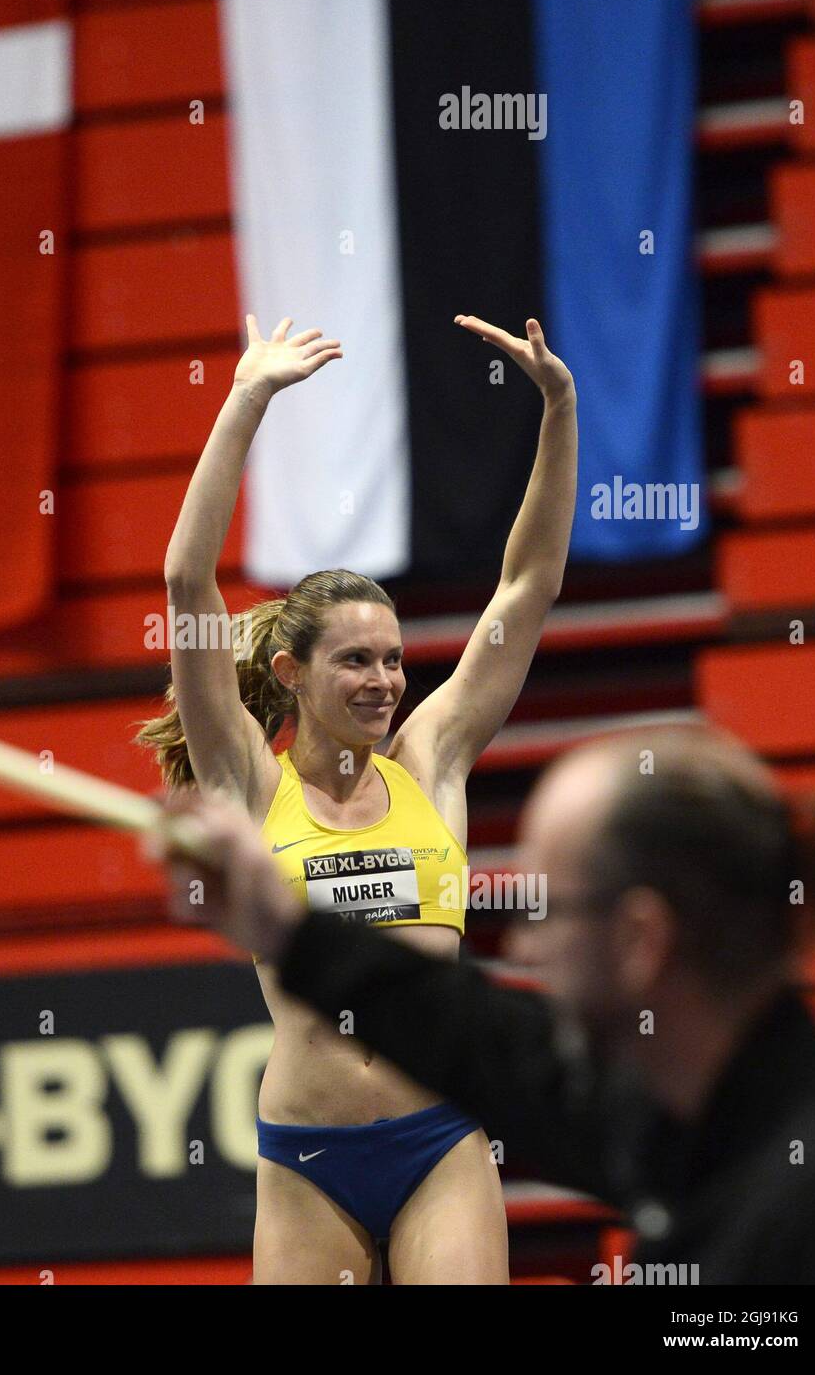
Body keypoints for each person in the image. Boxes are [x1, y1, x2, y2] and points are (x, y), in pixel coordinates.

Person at [134, 311, 578, 1282]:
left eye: (392, 658)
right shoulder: (247, 780)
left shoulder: (432, 761)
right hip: (309, 1160)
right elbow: (184, 583)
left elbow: (529, 583)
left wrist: (558, 408)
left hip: (438, 1140)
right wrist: (246, 400)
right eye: (355, 661)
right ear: (290, 672)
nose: (384, 680)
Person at [141, 724, 815, 1284]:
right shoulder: (673, 1108)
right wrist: (286, 929)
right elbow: (486, 1043)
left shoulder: (812, 1204)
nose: (525, 947)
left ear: (642, 939)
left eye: (548, 911)